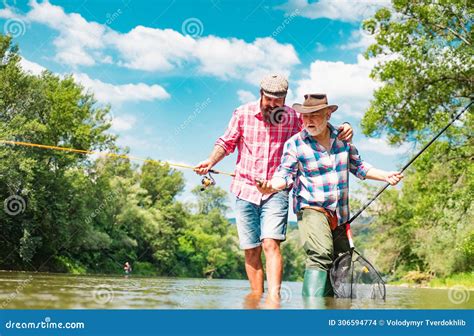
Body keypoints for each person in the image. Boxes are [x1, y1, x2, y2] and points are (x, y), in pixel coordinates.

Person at [195, 75, 354, 300]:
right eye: (268, 99)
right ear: (261, 94)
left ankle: (273, 300)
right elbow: (226, 142)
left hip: (277, 190)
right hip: (244, 188)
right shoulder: (242, 114)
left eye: (277, 101)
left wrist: (345, 127)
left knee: (270, 242)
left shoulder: (292, 117)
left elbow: (318, 125)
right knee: (251, 249)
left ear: (285, 99)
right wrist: (211, 161)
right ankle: (256, 298)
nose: (272, 104)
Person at [256, 93, 403, 297]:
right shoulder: (295, 144)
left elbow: (359, 167)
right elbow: (285, 175)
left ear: (328, 114)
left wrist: (386, 175)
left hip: (340, 214)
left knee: (341, 260)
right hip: (311, 208)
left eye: (315, 115)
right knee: (320, 254)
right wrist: (270, 186)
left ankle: (330, 316)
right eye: (305, 116)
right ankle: (312, 315)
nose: (308, 121)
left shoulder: (343, 141)